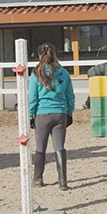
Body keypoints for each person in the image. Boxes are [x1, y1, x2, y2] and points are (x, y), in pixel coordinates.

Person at [29, 43, 75, 190]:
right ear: (54, 54)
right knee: (59, 147)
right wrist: (69, 113)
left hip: (43, 114)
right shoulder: (63, 72)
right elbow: (70, 96)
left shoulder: (36, 73)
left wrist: (31, 115)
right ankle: (63, 181)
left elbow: (33, 98)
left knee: (40, 148)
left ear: (39, 55)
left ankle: (38, 178)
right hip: (60, 113)